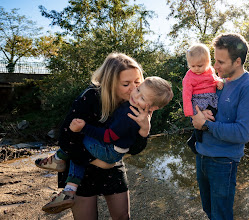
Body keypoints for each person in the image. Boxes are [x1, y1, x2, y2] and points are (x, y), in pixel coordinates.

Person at [35, 52, 152, 219]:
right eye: (126, 84)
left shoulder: (138, 103)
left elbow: (134, 149)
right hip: (80, 164)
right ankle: (61, 171)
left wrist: (144, 130)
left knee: (122, 216)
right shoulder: (89, 97)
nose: (134, 89)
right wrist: (97, 161)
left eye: (137, 82)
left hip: (112, 165)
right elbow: (66, 139)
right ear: (109, 83)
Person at [40, 77, 173, 214]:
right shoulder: (134, 108)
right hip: (114, 151)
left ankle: (60, 162)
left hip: (109, 150)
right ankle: (68, 185)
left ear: (152, 107)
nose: (135, 93)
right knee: (79, 147)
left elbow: (109, 136)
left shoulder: (130, 115)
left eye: (143, 98)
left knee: (80, 140)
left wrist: (84, 128)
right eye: (138, 89)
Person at [191, 33, 249, 219]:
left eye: (220, 62)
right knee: (208, 210)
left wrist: (206, 125)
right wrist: (198, 114)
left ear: (237, 61)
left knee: (221, 216)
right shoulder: (216, 80)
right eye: (215, 60)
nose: (214, 66)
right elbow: (197, 104)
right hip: (202, 155)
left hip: (224, 162)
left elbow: (242, 133)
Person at [182, 43, 224, 153]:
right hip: (198, 101)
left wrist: (219, 82)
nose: (196, 69)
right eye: (192, 66)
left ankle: (194, 139)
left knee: (213, 114)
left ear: (207, 62)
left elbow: (213, 78)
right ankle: (197, 142)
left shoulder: (210, 70)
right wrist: (190, 113)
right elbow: (186, 95)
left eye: (199, 66)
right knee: (200, 122)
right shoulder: (189, 76)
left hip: (211, 99)